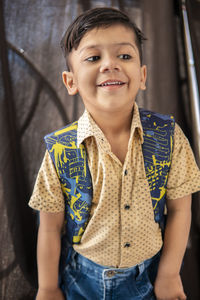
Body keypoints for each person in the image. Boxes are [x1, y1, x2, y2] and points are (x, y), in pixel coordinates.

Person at [29, 7, 200, 300]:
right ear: (70, 81)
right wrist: (47, 287)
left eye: (125, 56)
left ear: (142, 75)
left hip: (150, 274)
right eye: (93, 58)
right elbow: (49, 228)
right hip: (83, 279)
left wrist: (170, 274)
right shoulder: (60, 149)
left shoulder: (168, 136)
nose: (110, 64)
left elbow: (181, 210)